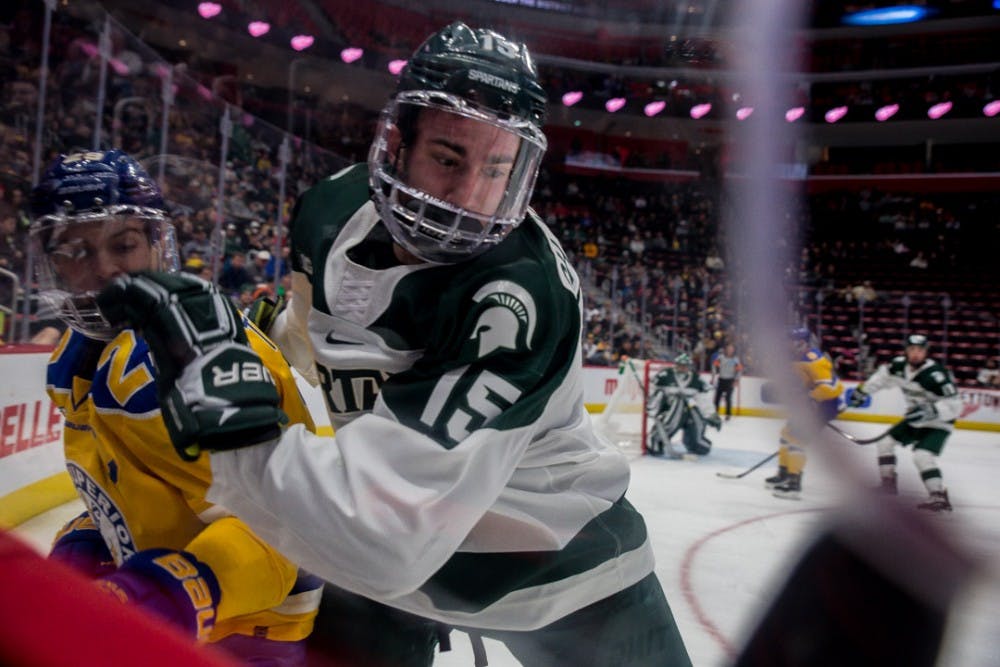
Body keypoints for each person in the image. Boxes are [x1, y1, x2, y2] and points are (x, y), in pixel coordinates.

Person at [95, 23, 692, 667]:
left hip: (561, 577)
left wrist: (237, 440)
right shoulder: (328, 213)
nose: (467, 199)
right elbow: (305, 333)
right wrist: (248, 348)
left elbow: (383, 542)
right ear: (397, 141)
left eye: (496, 168)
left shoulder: (516, 301)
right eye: (448, 157)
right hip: (388, 567)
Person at [29, 149, 322, 665]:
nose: (104, 272)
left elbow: (286, 533)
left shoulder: (179, 362)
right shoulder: (78, 359)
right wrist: (94, 535)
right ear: (50, 263)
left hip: (250, 632)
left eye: (123, 245)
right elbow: (154, 495)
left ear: (156, 245)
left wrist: (171, 591)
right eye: (76, 252)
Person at [847, 334, 962, 511]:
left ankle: (938, 496)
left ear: (926, 352)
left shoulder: (937, 375)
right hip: (914, 419)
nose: (916, 354)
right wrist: (863, 392)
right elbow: (881, 379)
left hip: (938, 423)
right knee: (885, 443)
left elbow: (956, 404)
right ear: (906, 351)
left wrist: (931, 410)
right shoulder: (898, 366)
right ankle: (888, 485)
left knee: (922, 456)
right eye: (912, 350)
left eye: (920, 350)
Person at [766, 327, 844, 500]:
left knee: (796, 438)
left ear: (801, 343)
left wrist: (810, 397)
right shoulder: (799, 357)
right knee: (786, 434)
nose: (787, 344)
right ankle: (784, 473)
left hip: (823, 406)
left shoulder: (813, 359)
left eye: (791, 341)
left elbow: (829, 388)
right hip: (814, 404)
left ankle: (794, 483)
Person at [647, 352, 721, 457]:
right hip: (668, 411)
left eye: (685, 366)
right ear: (676, 365)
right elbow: (653, 389)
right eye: (680, 365)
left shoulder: (696, 379)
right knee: (678, 404)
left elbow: (703, 399)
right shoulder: (665, 375)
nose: (683, 368)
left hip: (688, 411)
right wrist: (652, 405)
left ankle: (695, 444)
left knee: (697, 429)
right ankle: (655, 440)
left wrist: (711, 414)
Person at [710, 342, 742, 420]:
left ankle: (728, 414)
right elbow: (714, 365)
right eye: (729, 349)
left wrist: (737, 380)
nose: (730, 350)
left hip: (730, 380)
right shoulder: (721, 357)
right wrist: (713, 375)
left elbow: (739, 370)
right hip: (721, 379)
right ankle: (715, 413)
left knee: (728, 398)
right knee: (717, 397)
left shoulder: (735, 359)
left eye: (732, 349)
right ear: (726, 349)